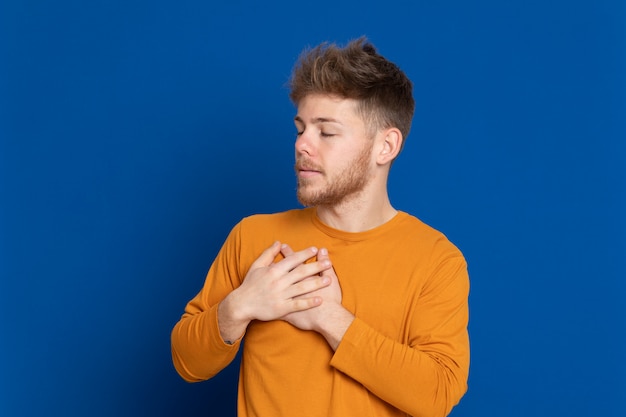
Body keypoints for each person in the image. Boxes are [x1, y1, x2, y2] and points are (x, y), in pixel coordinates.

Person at [171, 37, 470, 417]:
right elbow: (187, 362)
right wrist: (241, 306)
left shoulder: (435, 260)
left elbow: (437, 396)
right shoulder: (254, 237)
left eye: (326, 132)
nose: (302, 146)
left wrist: (330, 318)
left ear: (386, 146)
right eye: (300, 129)